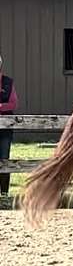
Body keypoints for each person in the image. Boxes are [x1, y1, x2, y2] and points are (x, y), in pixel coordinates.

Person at [0, 55, 18, 195]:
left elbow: (13, 103)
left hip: (5, 129)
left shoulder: (8, 82)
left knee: (4, 159)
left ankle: (4, 192)